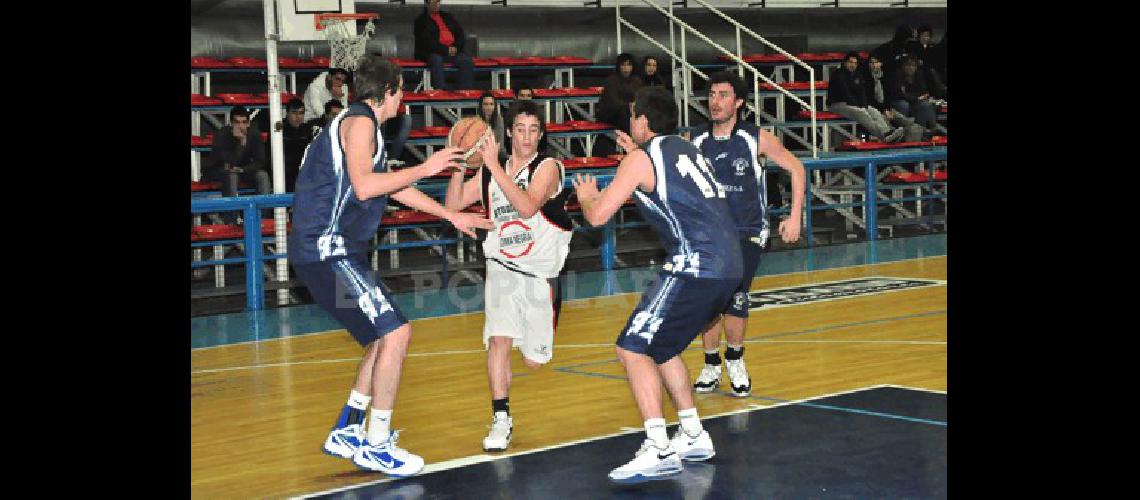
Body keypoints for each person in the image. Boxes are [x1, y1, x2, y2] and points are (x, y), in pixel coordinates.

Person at [289, 55, 493, 476]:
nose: (404, 97)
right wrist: (429, 165)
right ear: (390, 91)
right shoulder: (360, 123)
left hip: (332, 250)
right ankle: (377, 442)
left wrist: (450, 215)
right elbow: (365, 186)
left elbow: (393, 188)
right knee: (397, 333)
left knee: (381, 340)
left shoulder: (363, 127)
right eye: (402, 89)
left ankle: (349, 427)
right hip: (328, 248)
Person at [572, 86, 742, 482]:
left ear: (643, 120)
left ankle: (658, 447)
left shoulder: (640, 159)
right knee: (663, 347)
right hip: (729, 266)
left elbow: (597, 218)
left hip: (696, 263)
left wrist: (585, 197)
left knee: (631, 348)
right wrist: (637, 154)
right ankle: (694, 433)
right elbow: (666, 185)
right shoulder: (686, 148)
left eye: (634, 116)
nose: (631, 122)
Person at [444, 99, 574, 453]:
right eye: (520, 129)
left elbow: (528, 206)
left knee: (534, 361)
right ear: (509, 132)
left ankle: (530, 344)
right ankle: (501, 417)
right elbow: (454, 204)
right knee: (498, 341)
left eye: (534, 130)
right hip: (501, 269)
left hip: (540, 277)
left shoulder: (548, 167)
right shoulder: (490, 169)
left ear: (541, 134)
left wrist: (491, 166)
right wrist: (460, 161)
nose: (527, 137)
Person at [688, 71, 805, 398]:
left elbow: (797, 168)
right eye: (712, 94)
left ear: (738, 102)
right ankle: (712, 363)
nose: (715, 101)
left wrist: (794, 216)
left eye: (723, 95)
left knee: (735, 293)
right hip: (709, 235)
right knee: (709, 301)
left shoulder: (756, 138)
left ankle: (735, 359)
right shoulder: (696, 140)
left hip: (747, 232)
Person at [204, 106, 271, 220]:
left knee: (262, 175)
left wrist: (243, 169)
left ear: (249, 123)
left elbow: (260, 161)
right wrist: (240, 143)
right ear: (231, 123)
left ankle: (262, 219)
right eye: (237, 122)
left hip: (242, 170)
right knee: (231, 176)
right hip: (218, 170)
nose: (240, 126)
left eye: (244, 122)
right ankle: (231, 220)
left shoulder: (254, 134)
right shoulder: (222, 135)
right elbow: (226, 162)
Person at [826, 52, 905, 143]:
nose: (853, 65)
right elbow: (846, 94)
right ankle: (883, 136)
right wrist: (859, 106)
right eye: (851, 62)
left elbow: (862, 93)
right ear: (845, 63)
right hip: (837, 104)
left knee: (872, 110)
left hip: (853, 104)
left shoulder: (858, 75)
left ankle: (888, 132)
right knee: (862, 112)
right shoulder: (838, 74)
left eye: (855, 63)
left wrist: (864, 105)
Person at [414, 0, 475, 90]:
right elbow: (427, 43)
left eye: (438, 2)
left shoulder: (448, 17)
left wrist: (455, 48)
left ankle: (464, 91)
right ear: (426, 4)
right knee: (436, 60)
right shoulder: (421, 21)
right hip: (433, 53)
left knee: (467, 61)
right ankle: (441, 91)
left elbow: (460, 35)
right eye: (433, 2)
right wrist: (446, 50)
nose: (436, 4)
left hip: (453, 51)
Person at [865, 54, 925, 142]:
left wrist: (887, 109)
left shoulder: (884, 77)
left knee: (900, 117)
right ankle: (890, 134)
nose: (874, 65)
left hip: (884, 106)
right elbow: (868, 98)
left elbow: (887, 96)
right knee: (880, 115)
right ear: (868, 64)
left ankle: (921, 131)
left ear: (881, 63)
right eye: (871, 63)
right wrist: (884, 109)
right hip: (872, 107)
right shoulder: (866, 78)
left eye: (876, 62)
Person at [888, 55, 939, 132]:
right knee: (904, 105)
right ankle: (902, 131)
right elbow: (901, 94)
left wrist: (920, 97)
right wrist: (916, 98)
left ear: (916, 67)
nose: (911, 68)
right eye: (908, 65)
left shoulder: (919, 74)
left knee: (926, 105)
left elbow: (924, 91)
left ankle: (926, 130)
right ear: (903, 66)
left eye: (913, 65)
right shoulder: (898, 75)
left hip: (914, 100)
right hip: (898, 101)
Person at [281, 98, 319, 192]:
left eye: (301, 113)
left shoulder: (307, 130)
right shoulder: (279, 130)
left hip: (303, 170)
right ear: (287, 113)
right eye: (294, 113)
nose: (298, 117)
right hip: (285, 171)